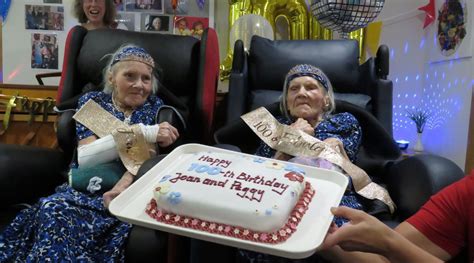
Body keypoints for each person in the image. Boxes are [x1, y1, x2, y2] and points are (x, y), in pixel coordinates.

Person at [0, 45, 179, 261]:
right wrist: (144, 132)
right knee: (53, 208)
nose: (139, 85)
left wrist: (121, 189)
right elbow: (87, 158)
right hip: (84, 190)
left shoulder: (154, 107)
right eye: (129, 76)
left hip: (125, 192)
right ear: (112, 78)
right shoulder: (93, 101)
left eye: (146, 79)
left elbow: (144, 159)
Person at [321, 169, 474, 262]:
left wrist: (391, 244)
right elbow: (383, 259)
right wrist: (322, 238)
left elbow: (391, 247)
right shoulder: (467, 192)